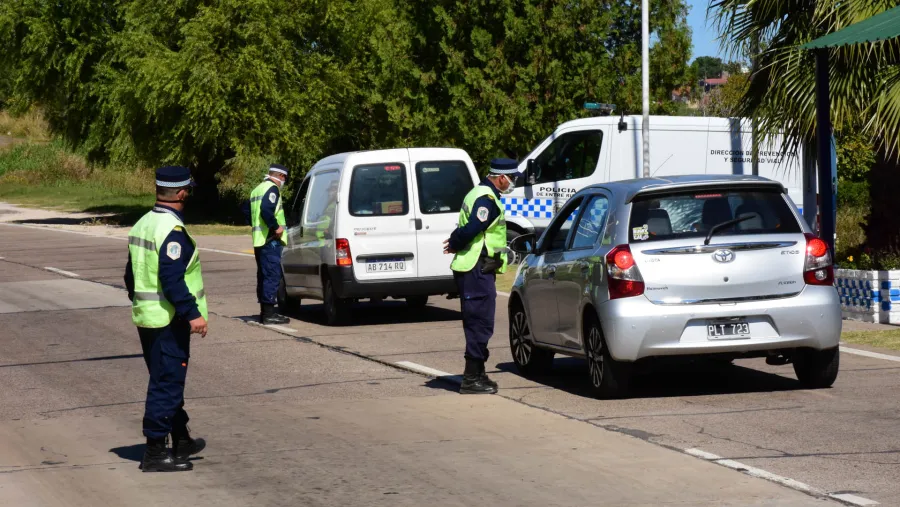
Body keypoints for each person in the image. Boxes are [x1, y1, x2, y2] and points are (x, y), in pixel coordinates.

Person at [124, 166, 209, 472]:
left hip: (148, 317)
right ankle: (156, 452)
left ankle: (181, 438)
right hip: (168, 320)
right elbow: (172, 279)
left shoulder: (142, 224)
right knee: (167, 383)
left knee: (165, 378)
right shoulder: (172, 232)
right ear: (183, 193)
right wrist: (192, 314)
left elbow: (130, 276)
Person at [443, 158, 520, 395]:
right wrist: (456, 242)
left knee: (479, 320)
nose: (513, 183)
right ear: (500, 177)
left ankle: (477, 373)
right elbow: (473, 227)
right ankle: (471, 378)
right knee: (480, 321)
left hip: (478, 267)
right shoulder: (487, 200)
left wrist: (456, 240)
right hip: (476, 268)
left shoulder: (477, 193)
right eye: (512, 178)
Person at [250, 164, 290, 325]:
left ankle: (264, 312)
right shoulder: (272, 189)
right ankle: (269, 314)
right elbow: (266, 210)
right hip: (270, 239)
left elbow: (246, 211)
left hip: (259, 239)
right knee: (272, 275)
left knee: (264, 275)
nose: (283, 182)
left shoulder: (257, 189)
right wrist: (276, 227)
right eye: (284, 178)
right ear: (281, 176)